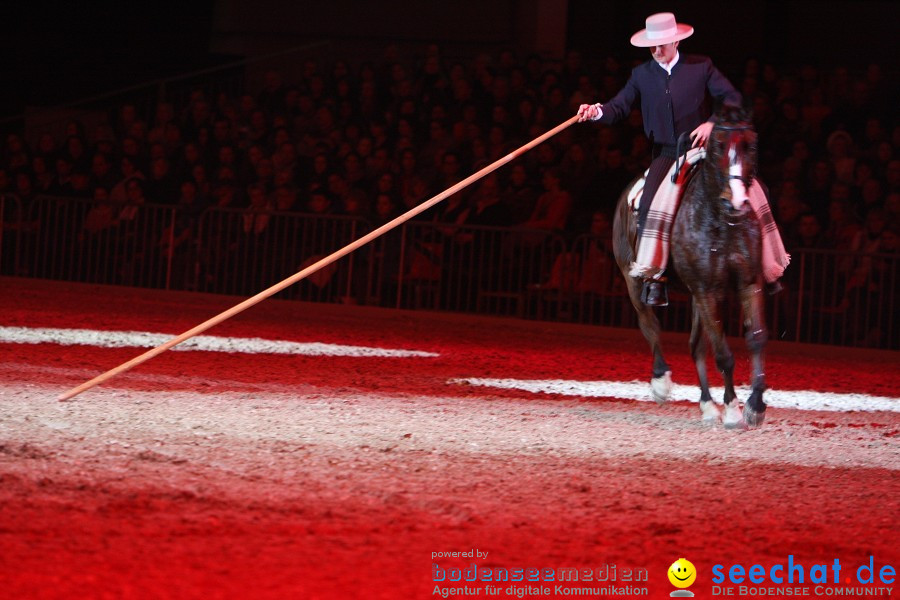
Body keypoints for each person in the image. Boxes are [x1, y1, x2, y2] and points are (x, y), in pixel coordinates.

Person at [577, 12, 786, 305]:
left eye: (662, 44)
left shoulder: (701, 66)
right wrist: (596, 111)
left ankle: (769, 269)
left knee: (755, 192)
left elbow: (732, 99)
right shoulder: (641, 75)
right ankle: (656, 277)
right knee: (648, 206)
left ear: (676, 40)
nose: (657, 50)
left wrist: (713, 122)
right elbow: (619, 107)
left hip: (706, 149)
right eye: (652, 46)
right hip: (666, 152)